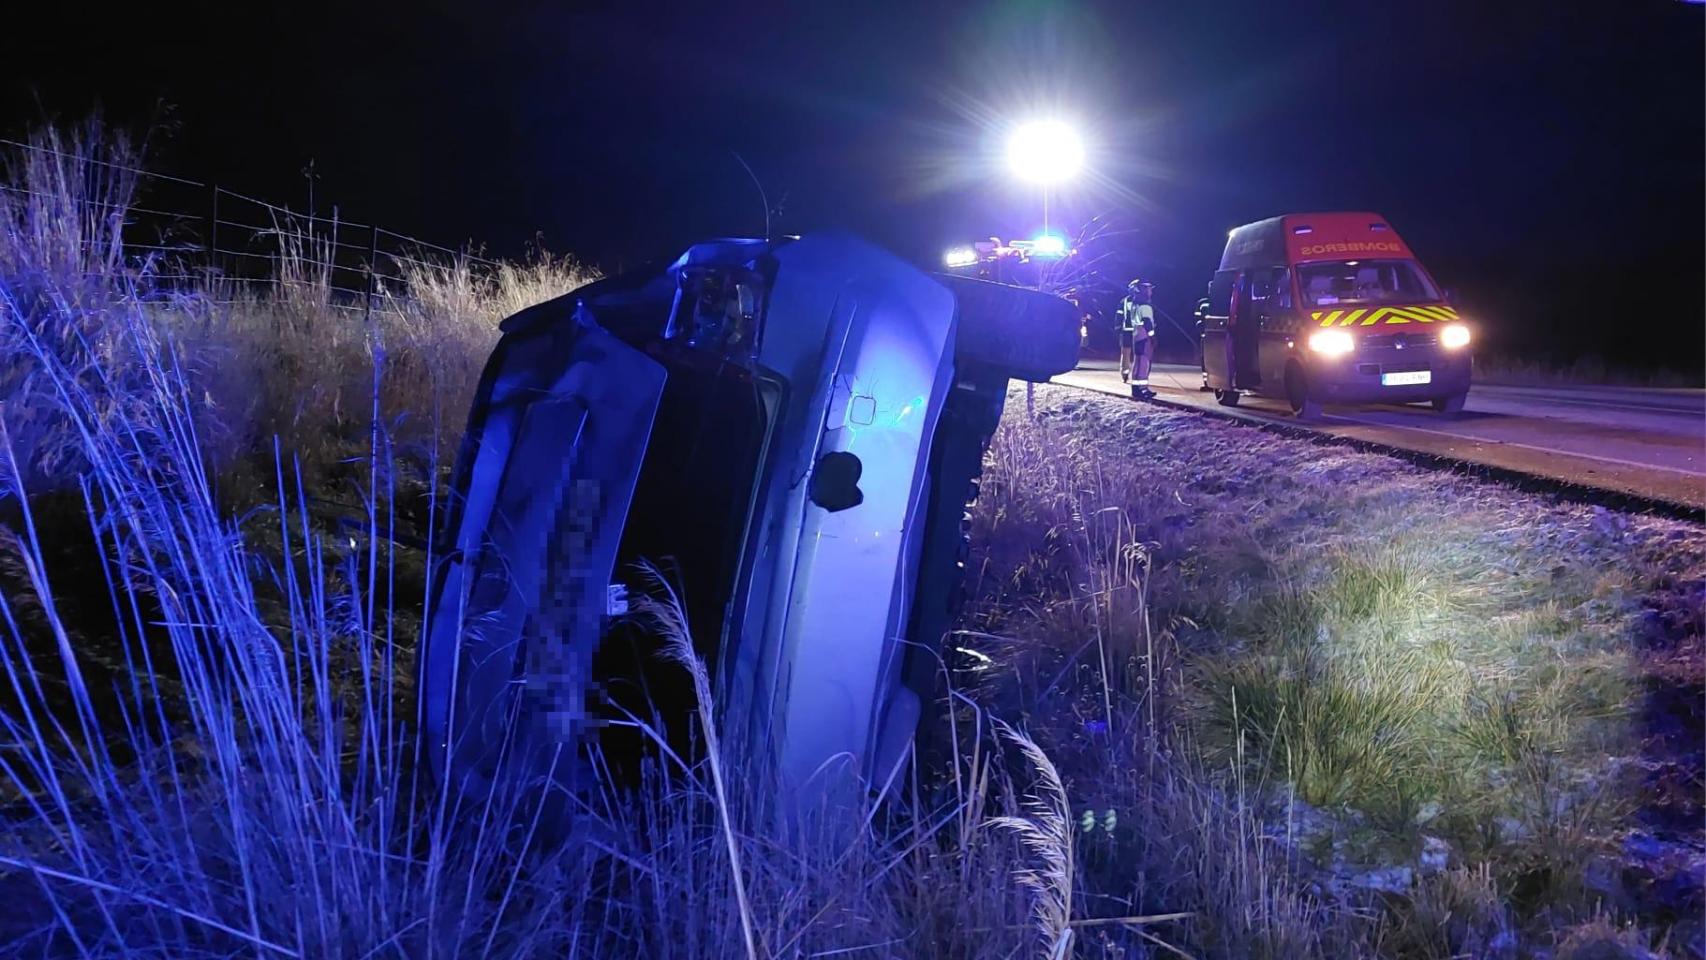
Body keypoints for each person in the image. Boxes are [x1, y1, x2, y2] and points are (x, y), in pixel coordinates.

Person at [1120, 278, 1157, 397]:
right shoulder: (1145, 305)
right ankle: (1142, 389)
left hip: (1136, 335)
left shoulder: (1135, 304)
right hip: (1143, 335)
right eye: (1149, 289)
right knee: (1143, 362)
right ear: (1143, 290)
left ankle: (1136, 388)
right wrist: (1152, 336)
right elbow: (1147, 321)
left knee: (1138, 362)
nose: (1150, 291)